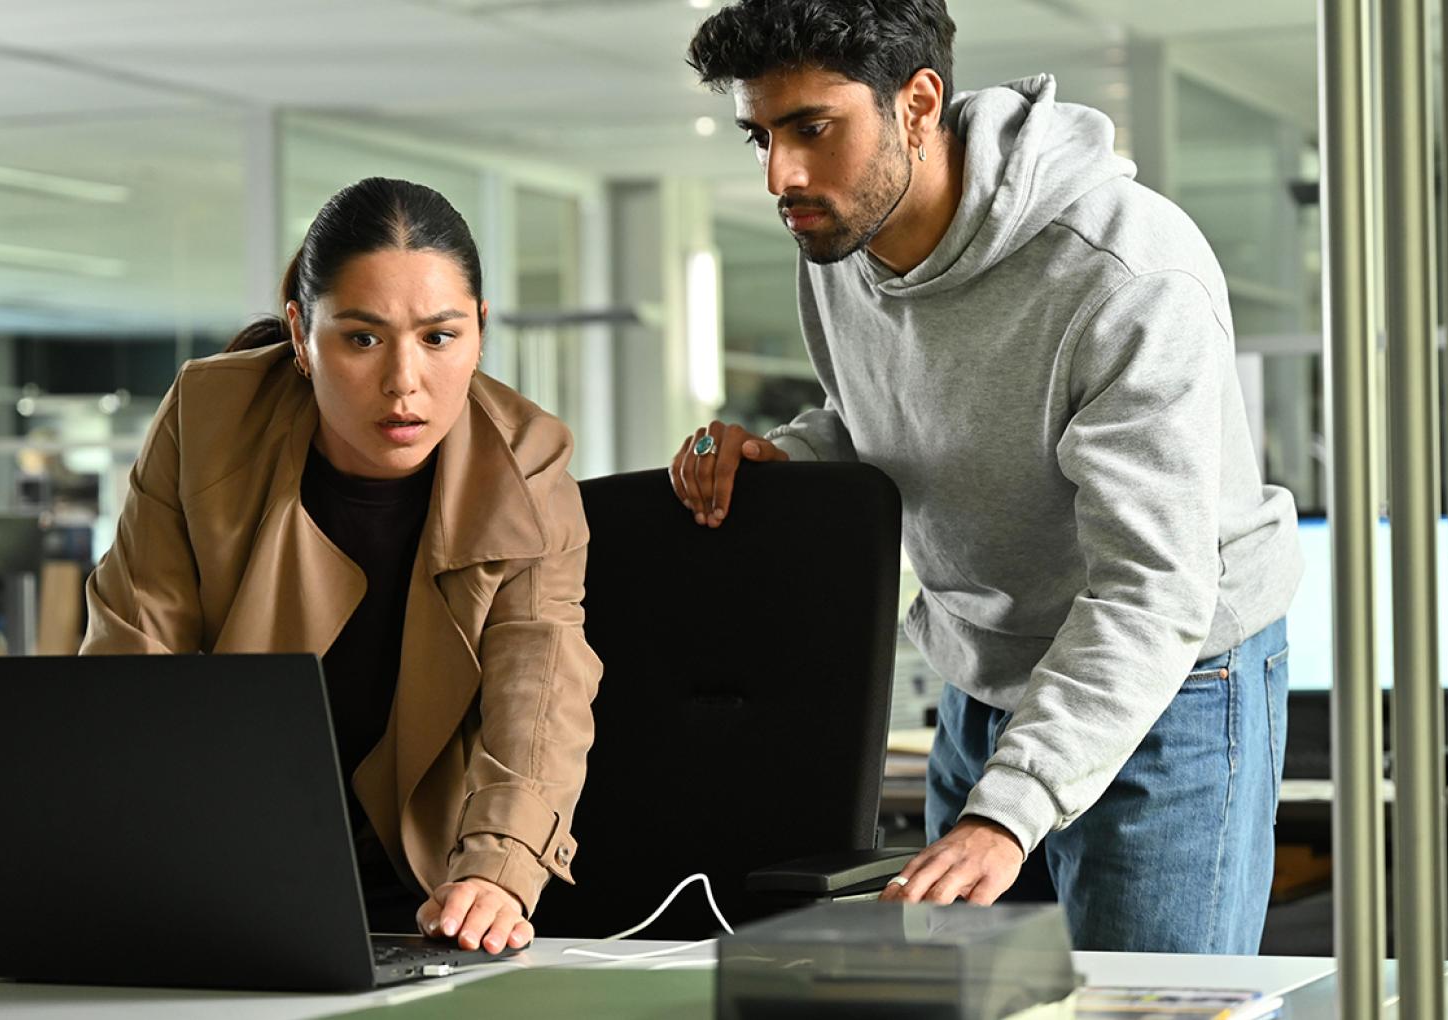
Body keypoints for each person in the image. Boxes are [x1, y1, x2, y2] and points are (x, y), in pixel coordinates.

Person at [678, 0, 1302, 954]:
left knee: (1146, 1015)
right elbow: (892, 416)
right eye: (760, 135)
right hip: (984, 668)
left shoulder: (1125, 274)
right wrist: (793, 457)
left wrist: (1007, 810)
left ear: (918, 103)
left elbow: (1155, 585)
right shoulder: (840, 239)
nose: (782, 175)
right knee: (971, 999)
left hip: (1174, 673)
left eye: (812, 128)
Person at [81, 177, 601, 956]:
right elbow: (132, 657)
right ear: (300, 332)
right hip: (226, 869)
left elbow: (542, 689)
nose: (404, 382)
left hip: (433, 890)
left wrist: (499, 869)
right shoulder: (207, 418)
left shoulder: (528, 463)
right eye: (361, 338)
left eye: (439, 337)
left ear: (481, 333)